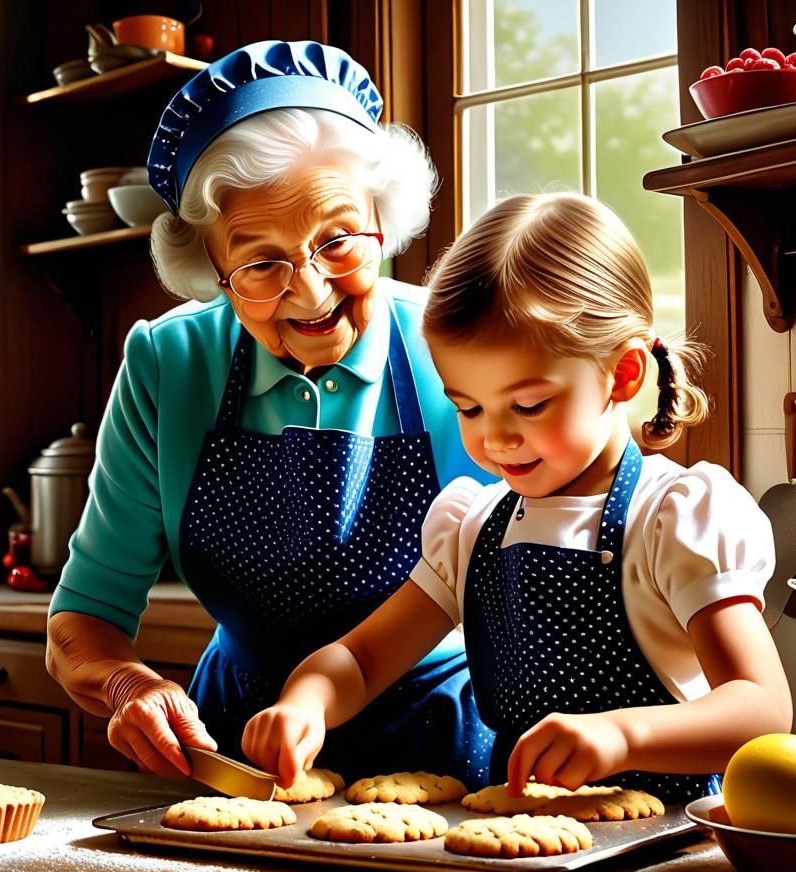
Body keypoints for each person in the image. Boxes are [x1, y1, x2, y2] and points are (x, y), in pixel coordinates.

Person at [45, 40, 496, 787]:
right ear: (212, 269)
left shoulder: (457, 346)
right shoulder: (168, 363)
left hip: (439, 737)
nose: (311, 291)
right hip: (236, 746)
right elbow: (83, 616)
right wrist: (128, 683)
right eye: (260, 263)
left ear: (384, 222)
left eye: (339, 240)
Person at [243, 192, 793, 803]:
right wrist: (307, 702)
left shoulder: (670, 519)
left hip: (662, 843)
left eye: (528, 406)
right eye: (468, 408)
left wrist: (623, 735)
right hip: (516, 836)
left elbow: (762, 709)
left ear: (624, 374)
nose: (495, 437)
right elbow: (363, 658)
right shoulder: (473, 529)